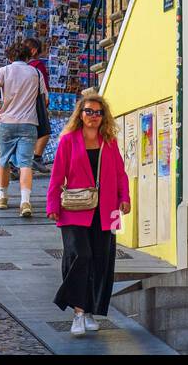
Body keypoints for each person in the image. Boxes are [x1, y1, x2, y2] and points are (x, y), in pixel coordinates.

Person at [46, 89, 130, 337]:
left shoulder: (110, 142)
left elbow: (120, 174)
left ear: (104, 116)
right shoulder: (68, 141)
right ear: (80, 114)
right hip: (74, 209)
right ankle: (78, 313)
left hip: (106, 210)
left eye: (98, 112)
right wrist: (52, 205)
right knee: (80, 256)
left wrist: (124, 198)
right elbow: (56, 175)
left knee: (101, 261)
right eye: (88, 111)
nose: (93, 116)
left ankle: (90, 311)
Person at [0, 39, 47, 218]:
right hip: (29, 123)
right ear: (29, 56)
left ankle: (3, 197)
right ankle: (25, 201)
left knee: (4, 160)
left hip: (7, 122)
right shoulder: (36, 73)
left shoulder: (3, 71)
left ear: (10, 55)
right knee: (25, 163)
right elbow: (44, 99)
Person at [26, 37, 52, 172]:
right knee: (45, 130)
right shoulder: (37, 66)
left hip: (24, 102)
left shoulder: (22, 66)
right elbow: (43, 87)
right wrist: (45, 102)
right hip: (37, 101)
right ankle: (36, 158)